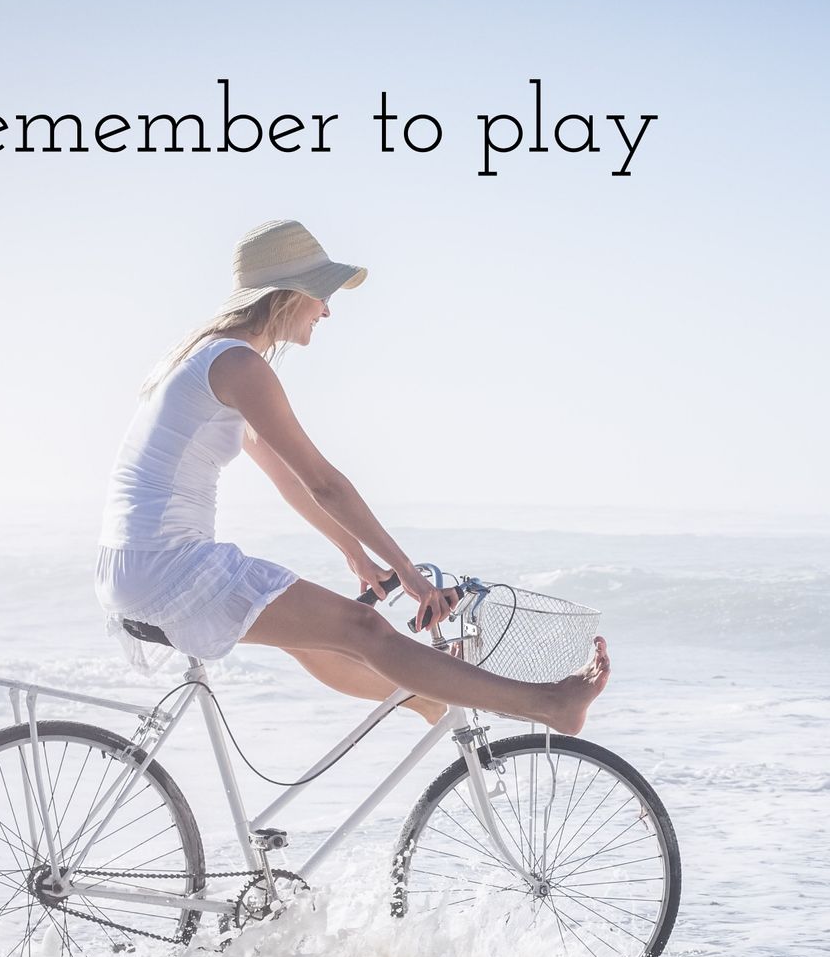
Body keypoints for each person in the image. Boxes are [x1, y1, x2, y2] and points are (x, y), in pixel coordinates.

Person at [95, 219, 609, 732]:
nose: (327, 309)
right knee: (363, 627)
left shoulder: (208, 358)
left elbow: (290, 482)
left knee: (314, 636)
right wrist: (405, 570)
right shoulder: (239, 365)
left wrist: (358, 557)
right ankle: (547, 704)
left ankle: (423, 700)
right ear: (289, 294)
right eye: (322, 294)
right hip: (169, 568)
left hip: (134, 568)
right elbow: (324, 483)